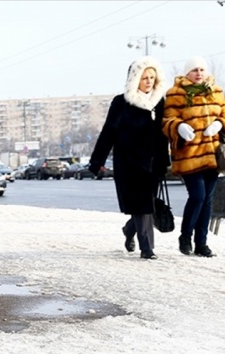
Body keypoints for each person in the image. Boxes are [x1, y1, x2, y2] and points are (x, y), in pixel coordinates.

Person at [88, 56, 170, 260]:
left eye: (152, 77)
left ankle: (129, 230)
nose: (149, 81)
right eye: (144, 77)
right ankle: (147, 249)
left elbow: (163, 135)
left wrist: (165, 160)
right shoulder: (121, 102)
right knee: (142, 204)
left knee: (147, 204)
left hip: (153, 163)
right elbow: (108, 133)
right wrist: (96, 161)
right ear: (135, 79)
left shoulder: (159, 102)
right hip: (128, 163)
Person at [162, 56, 225, 257]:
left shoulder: (216, 91)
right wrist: (178, 126)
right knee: (197, 196)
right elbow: (167, 120)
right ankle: (185, 236)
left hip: (213, 155)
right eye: (194, 70)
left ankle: (201, 244)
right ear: (187, 73)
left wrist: (219, 124)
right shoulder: (176, 94)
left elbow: (223, 114)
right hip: (189, 154)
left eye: (201, 69)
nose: (199, 73)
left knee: (207, 200)